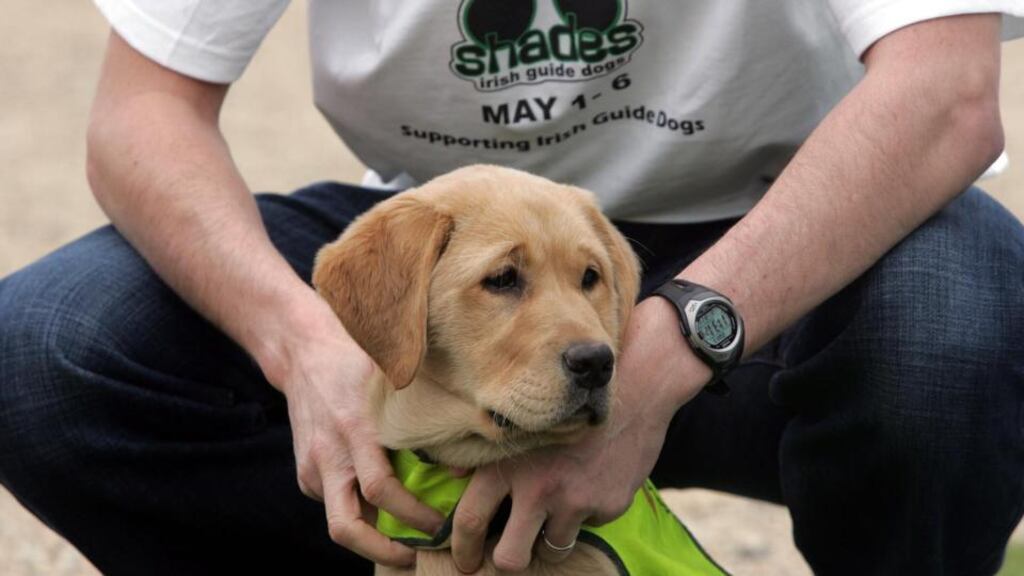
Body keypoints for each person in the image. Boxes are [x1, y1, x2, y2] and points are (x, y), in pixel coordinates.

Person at [2, 1, 1023, 574]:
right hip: (454, 260)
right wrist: (304, 345)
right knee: (49, 350)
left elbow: (944, 96)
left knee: (950, 322)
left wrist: (655, 361)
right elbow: (142, 117)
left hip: (790, 246)